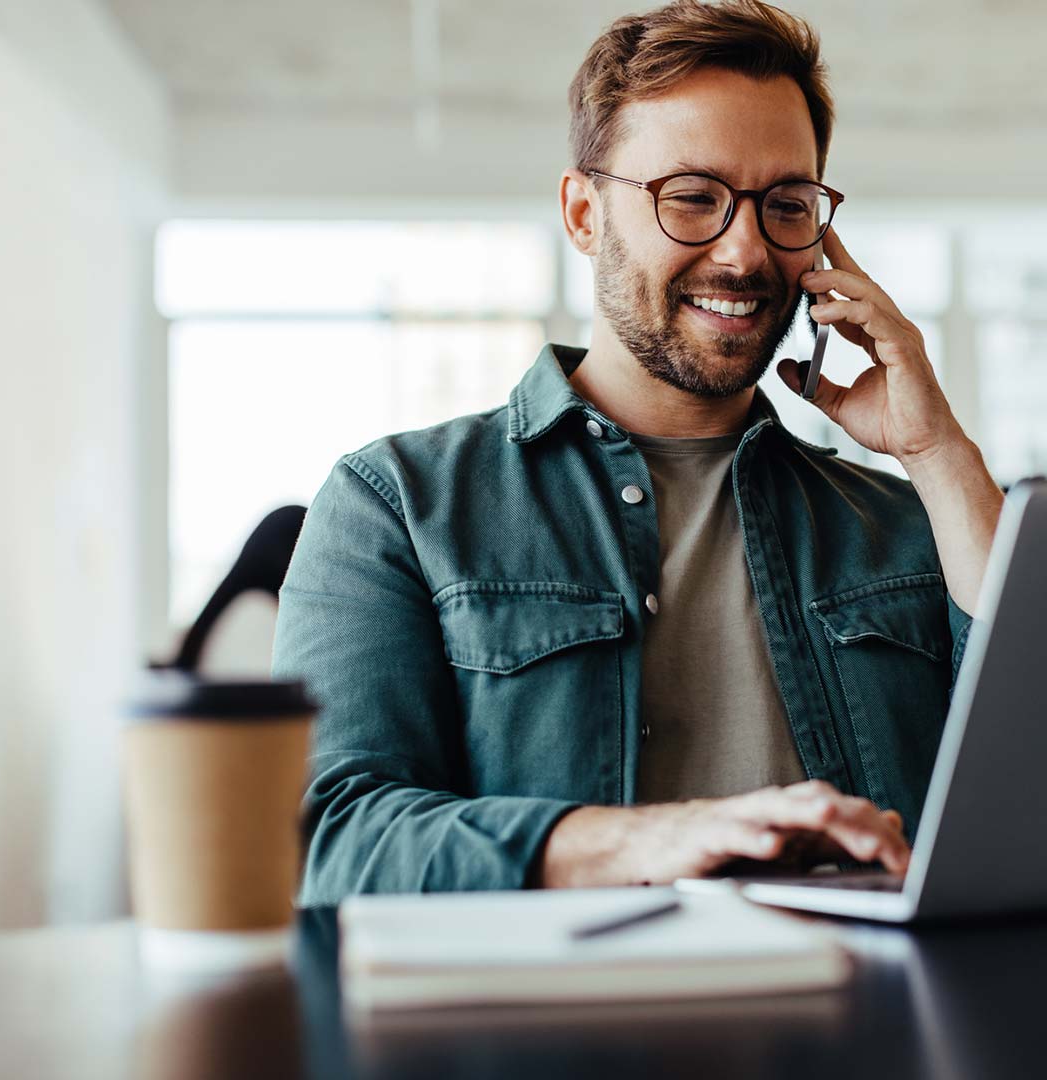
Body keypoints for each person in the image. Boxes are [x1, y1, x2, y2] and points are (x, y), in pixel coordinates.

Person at [272, 0, 1006, 901]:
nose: (745, 252)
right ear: (584, 213)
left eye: (786, 205)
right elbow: (326, 839)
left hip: (873, 1031)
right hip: (557, 1033)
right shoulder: (397, 505)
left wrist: (939, 454)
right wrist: (656, 840)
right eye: (692, 197)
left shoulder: (905, 524)